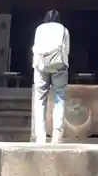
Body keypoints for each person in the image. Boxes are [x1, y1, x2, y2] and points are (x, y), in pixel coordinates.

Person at [32, 9, 70, 144]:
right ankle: (57, 133)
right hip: (59, 65)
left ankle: (40, 134)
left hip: (41, 66)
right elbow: (67, 49)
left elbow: (35, 47)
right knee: (59, 97)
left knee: (40, 99)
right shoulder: (64, 29)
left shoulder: (39, 29)